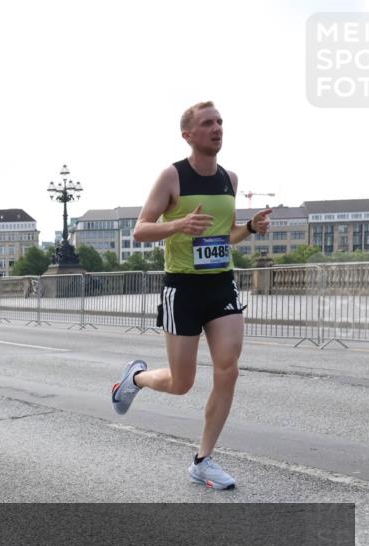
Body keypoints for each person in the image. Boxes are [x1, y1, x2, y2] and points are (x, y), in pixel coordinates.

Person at [111, 101, 271, 490]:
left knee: (228, 369)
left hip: (221, 284)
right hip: (181, 288)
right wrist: (180, 224)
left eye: (219, 122)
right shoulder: (172, 176)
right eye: (207, 123)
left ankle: (203, 460)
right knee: (182, 383)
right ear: (188, 134)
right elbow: (141, 230)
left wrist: (249, 228)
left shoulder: (229, 179)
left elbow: (225, 234)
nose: (217, 128)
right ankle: (135, 378)